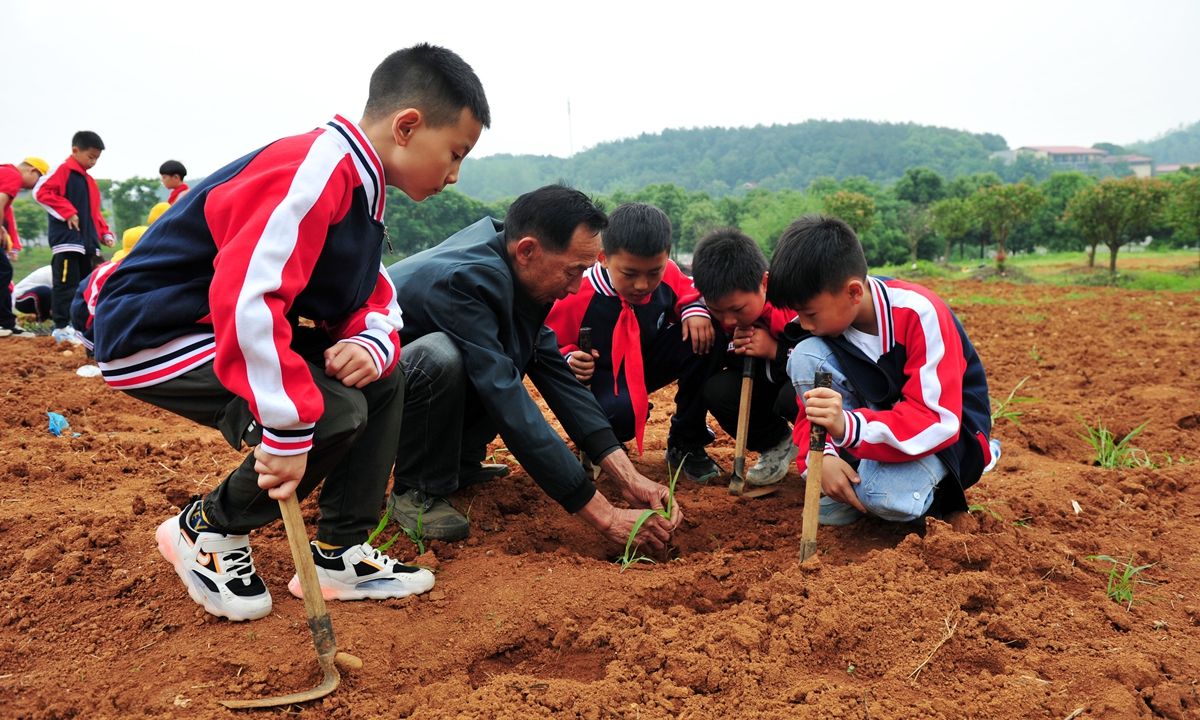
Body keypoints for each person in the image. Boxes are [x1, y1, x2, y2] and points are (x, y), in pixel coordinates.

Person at [93, 43, 490, 621]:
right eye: (455, 153)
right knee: (326, 413)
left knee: (380, 380)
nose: (454, 176)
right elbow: (248, 299)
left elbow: (372, 294)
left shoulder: (360, 188)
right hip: (160, 331)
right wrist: (284, 426)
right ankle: (206, 530)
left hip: (224, 321)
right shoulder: (314, 169)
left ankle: (337, 553)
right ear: (407, 126)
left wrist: (369, 341)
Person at [385, 185, 682, 547]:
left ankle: (456, 464)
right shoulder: (465, 283)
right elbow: (506, 397)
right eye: (573, 272)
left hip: (413, 394)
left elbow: (558, 377)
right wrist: (606, 516)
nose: (576, 288)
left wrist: (627, 476)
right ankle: (418, 489)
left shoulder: (521, 268)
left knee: (512, 350)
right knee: (442, 355)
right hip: (370, 399)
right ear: (527, 250)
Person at [768, 214, 998, 526]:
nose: (803, 323)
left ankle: (924, 491)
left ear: (853, 293)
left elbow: (937, 420)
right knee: (805, 355)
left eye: (809, 313)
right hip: (881, 423)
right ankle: (865, 484)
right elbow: (811, 411)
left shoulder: (919, 314)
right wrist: (823, 460)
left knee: (883, 497)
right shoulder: (826, 324)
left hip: (950, 434)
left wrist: (848, 427)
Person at [545, 202, 723, 482]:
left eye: (655, 272)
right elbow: (547, 342)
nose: (643, 284)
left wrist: (694, 311)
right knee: (620, 416)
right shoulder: (577, 293)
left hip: (648, 361)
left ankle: (685, 441)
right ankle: (602, 439)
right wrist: (569, 357)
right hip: (605, 373)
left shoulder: (669, 274)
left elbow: (689, 292)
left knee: (708, 333)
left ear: (666, 259)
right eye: (630, 274)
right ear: (603, 258)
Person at [690, 228, 800, 486]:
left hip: (794, 387)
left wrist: (775, 350)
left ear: (764, 283)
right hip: (761, 387)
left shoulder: (792, 307)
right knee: (718, 390)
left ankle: (837, 455)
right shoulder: (714, 311)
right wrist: (731, 345)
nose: (728, 319)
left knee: (794, 398)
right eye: (717, 310)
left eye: (738, 309)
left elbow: (822, 360)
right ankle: (777, 442)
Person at [33, 131, 115, 343]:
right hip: (67, 241)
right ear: (75, 151)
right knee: (65, 284)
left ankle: (80, 327)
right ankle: (61, 327)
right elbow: (41, 191)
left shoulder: (89, 181)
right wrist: (67, 210)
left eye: (97, 157)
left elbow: (94, 212)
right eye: (90, 156)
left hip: (86, 244)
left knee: (84, 286)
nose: (93, 161)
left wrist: (104, 232)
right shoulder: (63, 170)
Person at [0, 158, 48, 338]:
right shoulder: (13, 176)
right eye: (38, 181)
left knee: (3, 271)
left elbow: (5, 209)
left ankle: (6, 323)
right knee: (3, 271)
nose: (34, 188)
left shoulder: (5, 172)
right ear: (32, 171)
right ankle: (3, 322)